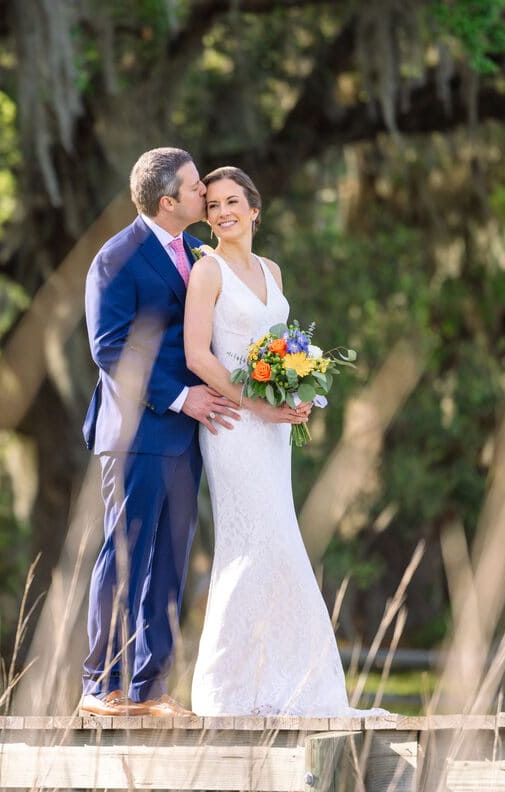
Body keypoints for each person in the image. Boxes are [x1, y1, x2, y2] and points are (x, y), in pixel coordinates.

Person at [183, 166, 384, 717]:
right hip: (233, 427)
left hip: (272, 433)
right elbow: (198, 355)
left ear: (254, 208)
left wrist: (295, 395)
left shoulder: (272, 270)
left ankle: (288, 683)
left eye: (232, 202)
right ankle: (227, 690)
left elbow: (277, 349)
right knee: (251, 547)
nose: (222, 212)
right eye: (213, 206)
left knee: (279, 545)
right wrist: (259, 406)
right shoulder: (208, 271)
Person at [80, 148, 241, 717]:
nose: (207, 194)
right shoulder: (116, 258)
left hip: (188, 435)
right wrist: (179, 395)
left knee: (172, 558)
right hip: (135, 432)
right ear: (169, 201)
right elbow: (109, 347)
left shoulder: (198, 252)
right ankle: (101, 686)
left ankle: (150, 688)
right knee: (126, 554)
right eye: (198, 188)